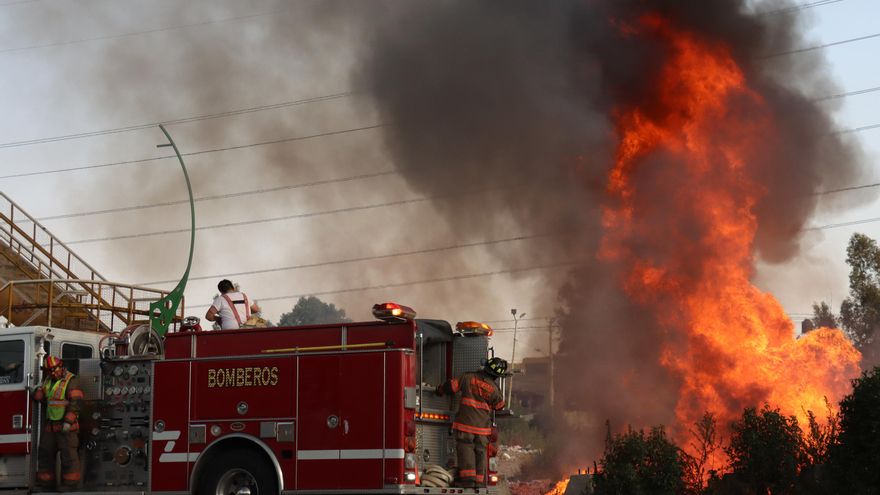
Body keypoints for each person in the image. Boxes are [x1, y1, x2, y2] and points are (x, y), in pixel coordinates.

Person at [435, 357, 507, 488]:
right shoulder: (494, 389)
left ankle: (468, 480)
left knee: (466, 449)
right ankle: (479, 482)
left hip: (465, 424)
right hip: (483, 429)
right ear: (497, 376)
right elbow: (500, 406)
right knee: (480, 452)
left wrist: (439, 390)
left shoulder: (467, 378)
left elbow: (451, 387)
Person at [32, 356, 84, 490]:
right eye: (50, 371)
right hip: (51, 426)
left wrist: (68, 421)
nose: (53, 373)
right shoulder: (48, 381)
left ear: (61, 366)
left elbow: (76, 403)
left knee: (68, 457)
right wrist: (37, 393)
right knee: (45, 454)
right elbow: (48, 399)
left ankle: (70, 486)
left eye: (55, 369)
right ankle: (46, 485)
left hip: (66, 426)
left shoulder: (71, 380)